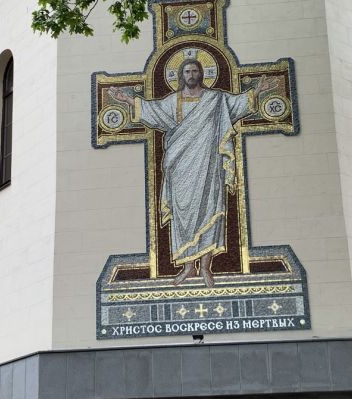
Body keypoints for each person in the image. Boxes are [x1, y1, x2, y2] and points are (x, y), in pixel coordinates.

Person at [109, 60, 271, 285]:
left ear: (201, 73)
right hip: (181, 167)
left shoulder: (215, 99)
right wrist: (128, 100)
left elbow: (236, 104)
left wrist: (257, 91)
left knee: (209, 211)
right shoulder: (173, 101)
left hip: (208, 167)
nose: (191, 74)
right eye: (187, 71)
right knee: (182, 216)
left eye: (195, 71)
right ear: (181, 75)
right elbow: (153, 110)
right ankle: (188, 268)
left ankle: (205, 267)